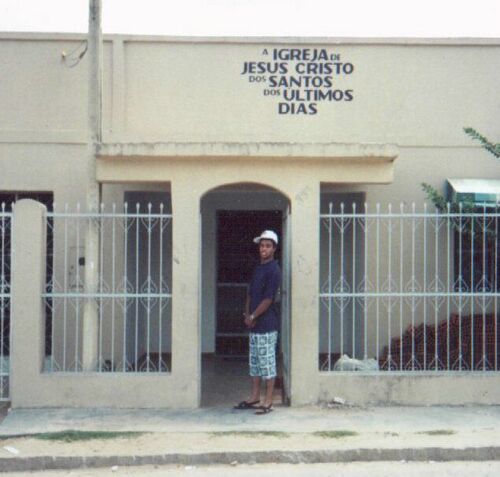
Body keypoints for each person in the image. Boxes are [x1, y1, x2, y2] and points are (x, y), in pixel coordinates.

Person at [234, 230, 281, 415]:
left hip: (267, 325)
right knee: (255, 363)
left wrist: (253, 316)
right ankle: (254, 397)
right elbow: (251, 293)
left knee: (267, 363)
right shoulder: (258, 268)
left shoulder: (274, 270)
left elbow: (268, 299)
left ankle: (268, 401)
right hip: (254, 325)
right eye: (262, 245)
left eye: (268, 246)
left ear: (274, 249)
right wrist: (247, 314)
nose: (264, 249)